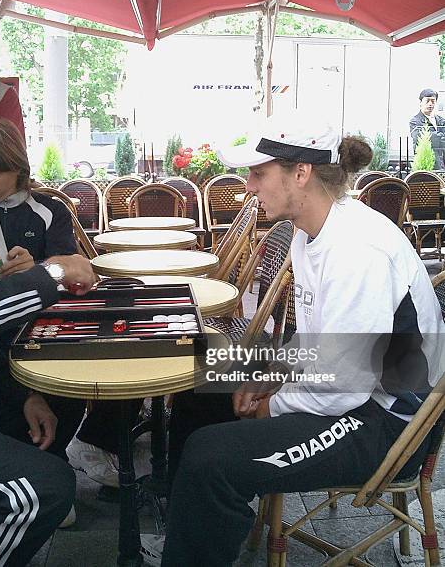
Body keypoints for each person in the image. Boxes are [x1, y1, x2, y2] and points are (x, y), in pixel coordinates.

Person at [140, 112, 445, 566]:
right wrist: (272, 373)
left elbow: (343, 385)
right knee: (202, 380)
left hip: (386, 422)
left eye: (259, 173)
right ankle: (192, 522)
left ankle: (197, 527)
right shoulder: (313, 231)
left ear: (300, 173)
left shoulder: (355, 251)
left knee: (211, 460)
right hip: (355, 392)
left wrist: (271, 404)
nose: (247, 187)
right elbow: (317, 341)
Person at [0, 98, 95, 564]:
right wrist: (51, 274)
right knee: (38, 489)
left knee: (39, 455)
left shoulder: (41, 211)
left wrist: (20, 395)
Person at [0, 119, 77, 263]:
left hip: (35, 285)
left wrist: (36, 269)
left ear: (17, 169)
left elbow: (69, 272)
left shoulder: (53, 212)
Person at [409, 88, 445, 169]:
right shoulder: (415, 121)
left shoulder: (441, 121)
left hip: (441, 163)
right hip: (424, 163)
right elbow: (423, 138)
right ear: (420, 102)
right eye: (427, 101)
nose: (430, 104)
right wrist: (439, 136)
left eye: (433, 101)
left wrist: (436, 137)